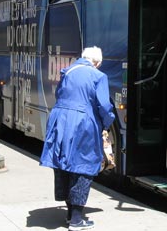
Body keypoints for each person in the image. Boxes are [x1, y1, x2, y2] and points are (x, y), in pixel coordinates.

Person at [40, 46, 115, 231]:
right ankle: (76, 219)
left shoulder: (68, 71)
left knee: (64, 165)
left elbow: (59, 95)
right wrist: (107, 123)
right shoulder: (98, 76)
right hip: (83, 122)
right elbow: (104, 106)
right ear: (96, 62)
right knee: (83, 167)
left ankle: (69, 213)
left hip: (60, 120)